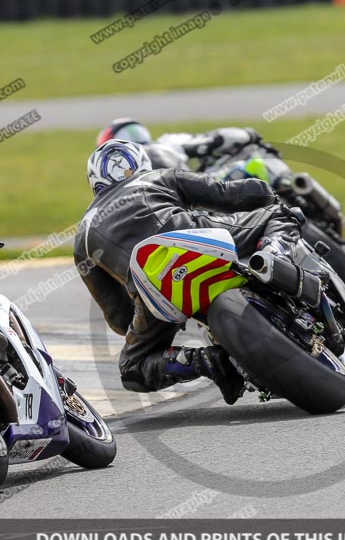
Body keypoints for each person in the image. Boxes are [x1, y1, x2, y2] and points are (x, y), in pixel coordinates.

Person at [74, 139, 315, 405]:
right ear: (141, 163)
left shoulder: (82, 238)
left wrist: (153, 317)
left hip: (157, 291)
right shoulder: (156, 177)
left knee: (132, 368)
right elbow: (226, 194)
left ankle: (204, 361)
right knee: (279, 214)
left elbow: (119, 318)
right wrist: (266, 192)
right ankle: (272, 259)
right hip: (199, 240)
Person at [96, 117, 264, 171]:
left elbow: (218, 138)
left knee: (254, 160)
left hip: (203, 191)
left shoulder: (167, 142)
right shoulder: (113, 188)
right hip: (178, 213)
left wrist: (203, 146)